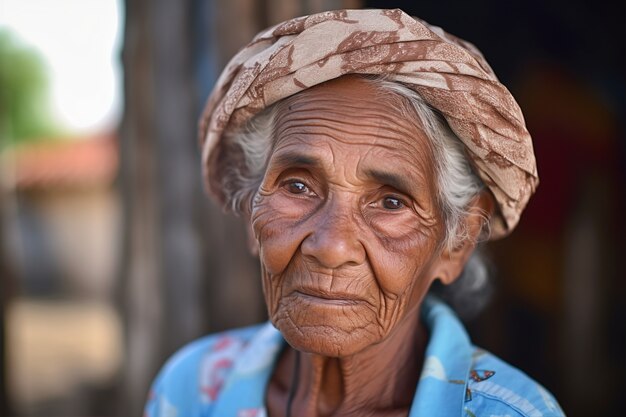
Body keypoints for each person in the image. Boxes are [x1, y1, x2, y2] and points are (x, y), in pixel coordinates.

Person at [144, 9, 565, 417]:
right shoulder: (190, 389)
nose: (332, 246)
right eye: (297, 186)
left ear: (457, 242)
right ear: (252, 217)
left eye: (391, 202)